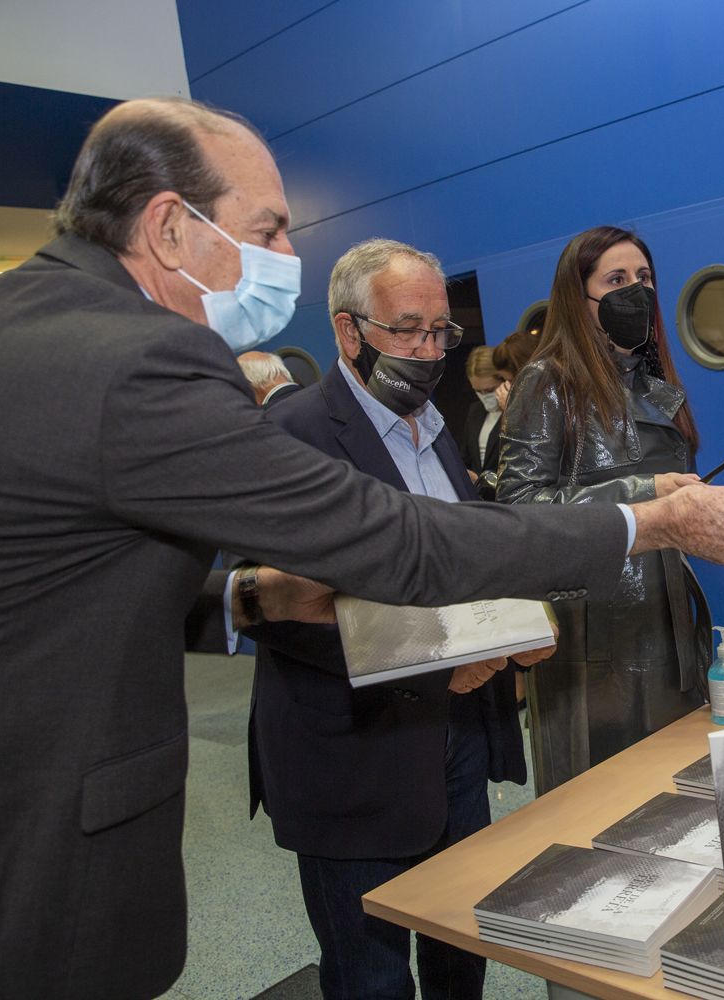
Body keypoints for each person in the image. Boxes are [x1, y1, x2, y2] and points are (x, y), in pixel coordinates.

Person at [0, 97, 724, 1000]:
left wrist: (247, 598)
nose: (286, 260)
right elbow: (402, 543)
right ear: (170, 227)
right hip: (18, 838)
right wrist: (647, 522)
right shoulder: (138, 358)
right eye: (266, 229)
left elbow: (70, 569)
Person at [245, 239, 547, 1000]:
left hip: (456, 744)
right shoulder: (290, 440)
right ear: (349, 333)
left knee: (459, 949)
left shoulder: (436, 428)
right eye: (407, 329)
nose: (428, 350)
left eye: (441, 332)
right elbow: (280, 610)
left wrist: (515, 625)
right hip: (352, 753)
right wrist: (442, 659)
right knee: (371, 975)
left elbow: (461, 557)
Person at [497, 225, 708, 794]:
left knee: (678, 793)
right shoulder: (548, 382)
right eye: (615, 280)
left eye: (644, 279)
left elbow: (673, 492)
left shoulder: (656, 383)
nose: (634, 291)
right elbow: (518, 509)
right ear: (578, 295)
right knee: (603, 803)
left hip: (669, 623)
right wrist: (646, 494)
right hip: (589, 634)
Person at [460, 344, 503, 485]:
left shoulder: (519, 413)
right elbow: (465, 457)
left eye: (490, 390)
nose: (485, 396)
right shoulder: (475, 411)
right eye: (479, 391)